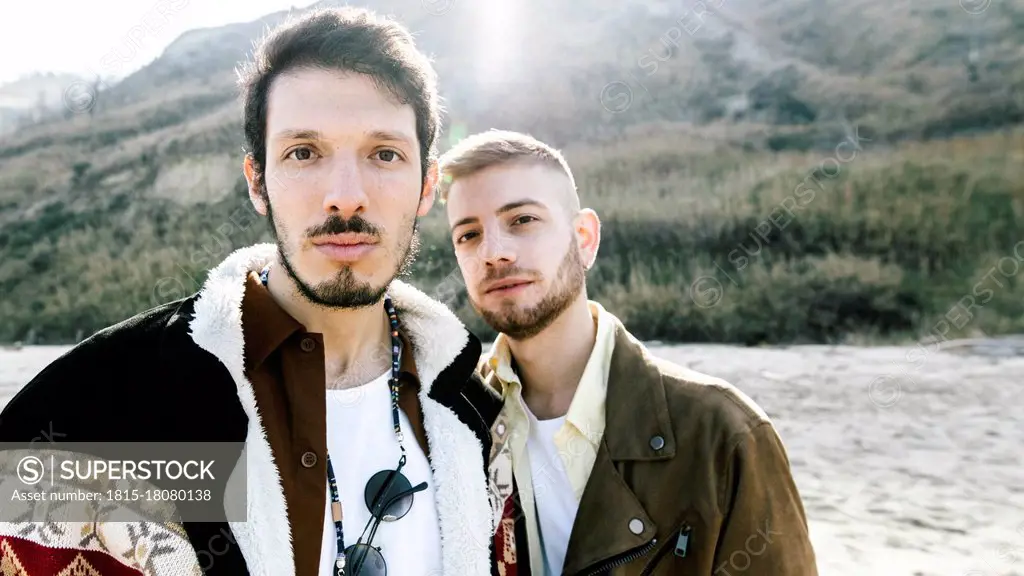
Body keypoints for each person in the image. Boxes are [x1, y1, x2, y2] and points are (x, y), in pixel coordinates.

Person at [0, 8, 503, 576]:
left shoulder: (479, 419)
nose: (345, 196)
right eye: (304, 153)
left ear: (426, 186)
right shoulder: (93, 411)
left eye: (384, 154)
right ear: (257, 181)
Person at [439, 130, 819, 575]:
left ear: (584, 238)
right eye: (468, 235)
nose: (494, 253)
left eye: (522, 220)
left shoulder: (722, 432)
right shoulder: (452, 424)